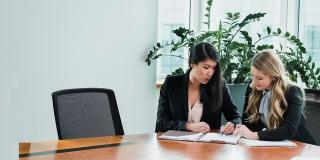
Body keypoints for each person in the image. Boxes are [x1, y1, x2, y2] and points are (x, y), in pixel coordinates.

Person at [155, 42, 241, 134]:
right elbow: (161, 124)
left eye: (214, 68)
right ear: (192, 64)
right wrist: (187, 126)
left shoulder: (220, 86)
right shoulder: (171, 84)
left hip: (207, 146)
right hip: (175, 145)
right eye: (206, 67)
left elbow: (236, 117)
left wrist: (233, 124)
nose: (210, 73)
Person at [234, 50, 316, 144]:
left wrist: (254, 135)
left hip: (299, 146)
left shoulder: (293, 91)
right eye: (253, 76)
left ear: (273, 76)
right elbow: (247, 122)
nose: (254, 81)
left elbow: (289, 130)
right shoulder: (253, 87)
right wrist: (237, 127)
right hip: (271, 145)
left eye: (260, 78)